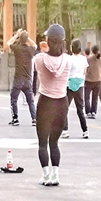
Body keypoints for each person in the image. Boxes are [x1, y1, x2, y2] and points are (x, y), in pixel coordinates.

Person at [34, 24, 71, 186]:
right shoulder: (68, 60)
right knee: (54, 142)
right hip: (61, 102)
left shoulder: (39, 59)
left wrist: (43, 49)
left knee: (43, 142)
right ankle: (56, 175)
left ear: (48, 40)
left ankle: (45, 175)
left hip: (45, 101)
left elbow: (39, 68)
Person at [7, 29, 37, 126]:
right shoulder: (30, 49)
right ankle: (34, 118)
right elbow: (35, 45)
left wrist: (16, 35)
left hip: (18, 78)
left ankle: (15, 118)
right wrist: (28, 38)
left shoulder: (17, 48)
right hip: (27, 79)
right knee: (30, 101)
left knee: (13, 98)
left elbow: (9, 43)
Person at [62, 39, 88, 139]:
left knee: (65, 108)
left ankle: (65, 130)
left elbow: (66, 71)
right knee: (80, 109)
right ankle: (85, 130)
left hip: (69, 84)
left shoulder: (69, 59)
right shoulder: (84, 59)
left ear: (71, 48)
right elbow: (84, 72)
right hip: (80, 84)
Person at [84, 45, 101, 117]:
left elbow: (86, 69)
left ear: (92, 51)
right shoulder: (100, 59)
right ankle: (93, 112)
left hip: (89, 80)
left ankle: (88, 112)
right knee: (95, 97)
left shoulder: (88, 59)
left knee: (87, 97)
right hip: (98, 80)